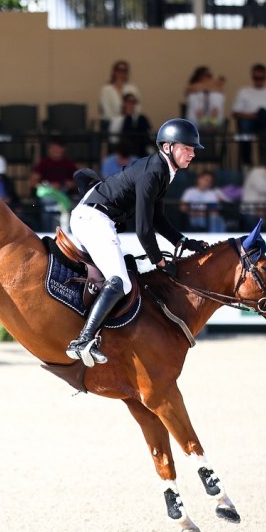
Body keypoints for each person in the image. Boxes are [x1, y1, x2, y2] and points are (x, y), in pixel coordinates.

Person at [65, 118, 208, 366]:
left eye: (193, 149)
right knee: (121, 282)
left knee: (124, 276)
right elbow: (143, 229)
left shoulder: (163, 172)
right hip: (93, 218)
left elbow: (158, 219)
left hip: (97, 218)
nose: (192, 154)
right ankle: (83, 340)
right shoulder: (154, 171)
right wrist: (160, 262)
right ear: (167, 147)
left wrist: (183, 241)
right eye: (186, 148)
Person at [231, 63, 266, 165]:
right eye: (256, 78)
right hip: (249, 121)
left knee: (264, 113)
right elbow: (235, 113)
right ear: (252, 77)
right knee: (245, 125)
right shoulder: (244, 92)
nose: (259, 81)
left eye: (261, 78)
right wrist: (252, 116)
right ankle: (247, 162)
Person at [99, 60, 142, 130]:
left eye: (124, 71)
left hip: (130, 124)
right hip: (111, 123)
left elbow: (137, 107)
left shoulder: (133, 89)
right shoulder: (106, 90)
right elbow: (106, 111)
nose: (121, 73)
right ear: (114, 72)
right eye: (119, 70)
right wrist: (120, 120)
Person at [107, 92, 151, 157]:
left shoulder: (140, 119)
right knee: (128, 120)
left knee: (142, 118)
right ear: (124, 104)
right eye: (129, 102)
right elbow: (113, 139)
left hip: (140, 147)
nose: (132, 105)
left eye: (134, 102)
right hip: (125, 147)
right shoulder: (117, 120)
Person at [184, 66, 225, 132]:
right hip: (196, 120)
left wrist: (212, 122)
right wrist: (203, 123)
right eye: (207, 76)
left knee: (217, 96)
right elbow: (198, 109)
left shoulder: (216, 93)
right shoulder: (194, 93)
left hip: (214, 121)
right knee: (195, 96)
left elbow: (215, 109)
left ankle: (209, 125)